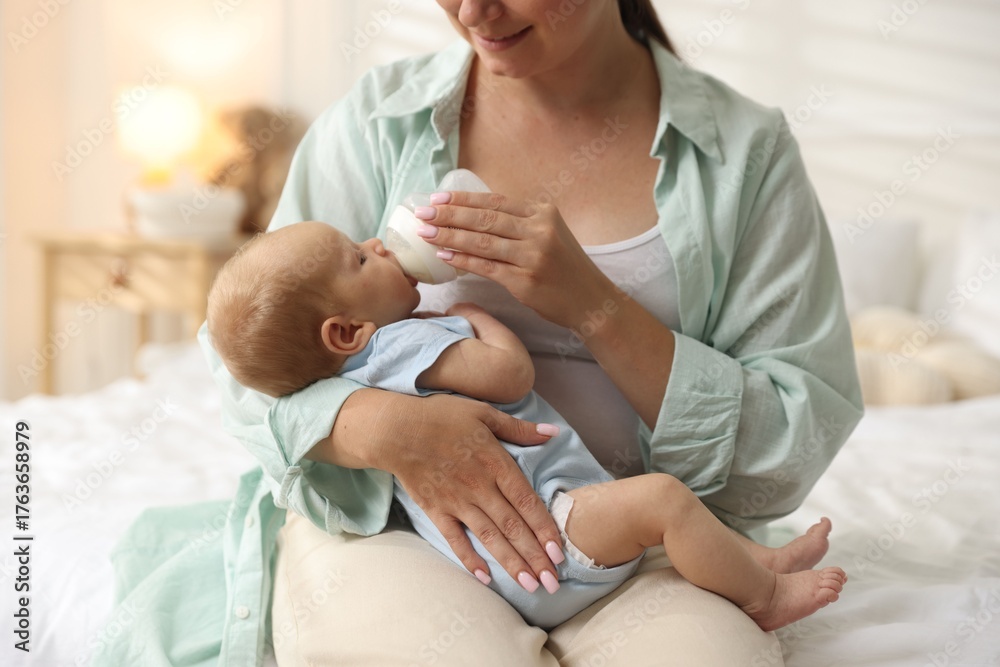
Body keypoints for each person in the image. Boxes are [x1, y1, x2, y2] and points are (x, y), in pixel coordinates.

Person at [94, 1, 864, 665]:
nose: (470, 12)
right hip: (395, 525)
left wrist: (596, 306)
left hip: (639, 539)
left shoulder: (744, 155)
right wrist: (375, 423)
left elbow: (790, 448)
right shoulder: (378, 122)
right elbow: (242, 355)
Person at [206, 221, 847, 631]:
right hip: (551, 533)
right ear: (346, 331)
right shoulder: (404, 347)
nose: (377, 244)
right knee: (664, 500)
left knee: (657, 527)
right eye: (358, 258)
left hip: (520, 557)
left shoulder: (354, 372)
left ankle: (761, 559)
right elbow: (509, 376)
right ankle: (762, 595)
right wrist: (472, 317)